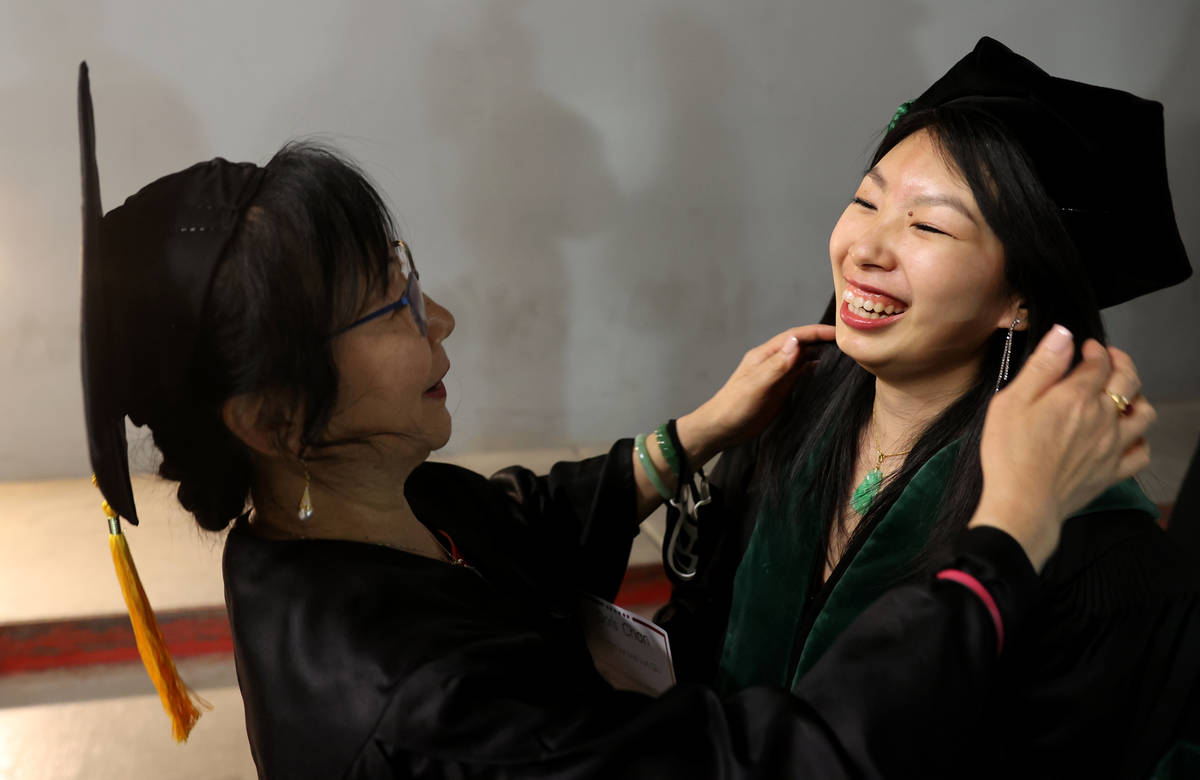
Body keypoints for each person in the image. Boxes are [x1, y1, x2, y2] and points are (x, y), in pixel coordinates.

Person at [77, 59, 1153, 778]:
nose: (440, 315)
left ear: (1024, 295)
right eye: (392, 304)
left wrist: (689, 437)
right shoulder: (430, 703)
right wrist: (1007, 527)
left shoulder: (344, 516)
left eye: (928, 223)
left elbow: (509, 527)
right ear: (274, 417)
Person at [657, 37, 1200, 779]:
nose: (866, 249)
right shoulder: (782, 421)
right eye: (865, 200)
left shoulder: (1098, 546)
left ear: (1021, 298)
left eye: (929, 225)